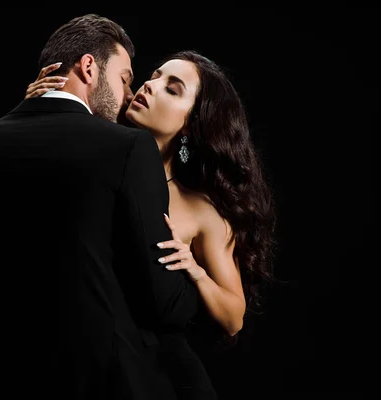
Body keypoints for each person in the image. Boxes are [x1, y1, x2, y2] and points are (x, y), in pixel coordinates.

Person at [0, 14, 202, 400]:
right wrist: (195, 278)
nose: (130, 94)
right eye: (126, 78)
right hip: (99, 380)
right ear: (89, 67)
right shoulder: (128, 149)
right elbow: (162, 304)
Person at [26, 49, 278, 390]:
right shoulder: (96, 156)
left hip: (152, 376)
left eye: (172, 89)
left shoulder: (200, 209)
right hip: (68, 362)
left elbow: (234, 318)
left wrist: (195, 269)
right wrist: (35, 112)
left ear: (191, 124)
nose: (150, 85)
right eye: (155, 76)